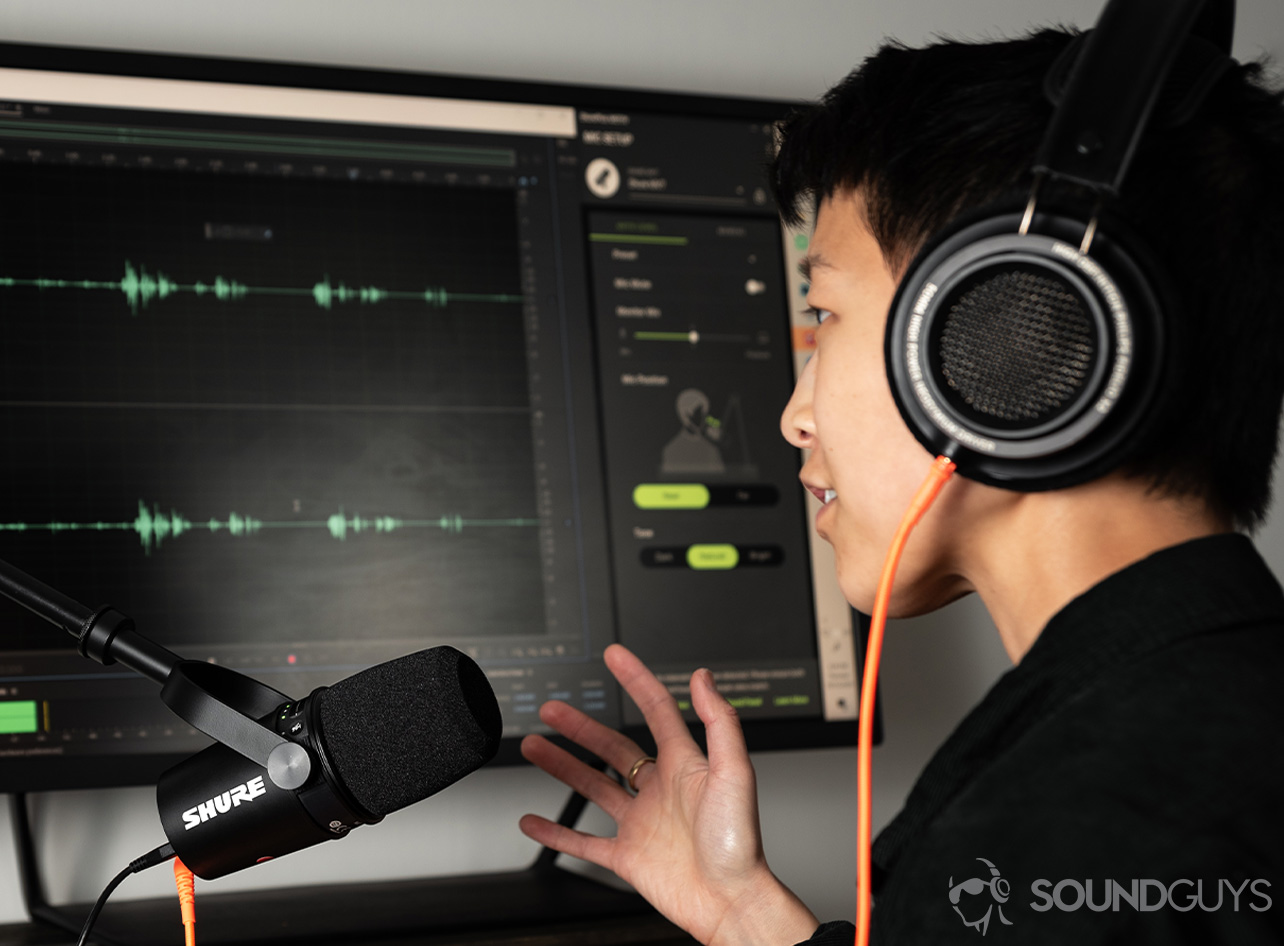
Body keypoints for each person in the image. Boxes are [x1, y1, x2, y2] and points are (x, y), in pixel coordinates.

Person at [517, 25, 1284, 945]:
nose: (794, 418)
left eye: (823, 312)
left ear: (1015, 333)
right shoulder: (1209, 724)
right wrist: (737, 912)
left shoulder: (1072, 833)